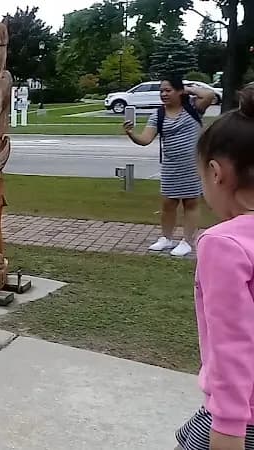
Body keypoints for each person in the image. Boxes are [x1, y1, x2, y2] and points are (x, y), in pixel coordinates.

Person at [174, 84, 254, 450]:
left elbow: (233, 348)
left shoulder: (225, 245)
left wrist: (227, 429)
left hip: (239, 422)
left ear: (215, 172)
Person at [124, 77, 216, 257]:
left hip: (192, 166)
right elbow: (145, 140)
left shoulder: (193, 107)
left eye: (168, 90)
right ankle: (166, 238)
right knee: (168, 203)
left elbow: (210, 94)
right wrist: (131, 133)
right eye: (162, 91)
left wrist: (188, 89)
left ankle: (187, 241)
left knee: (190, 202)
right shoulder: (158, 115)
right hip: (170, 166)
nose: (164, 94)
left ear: (179, 91)